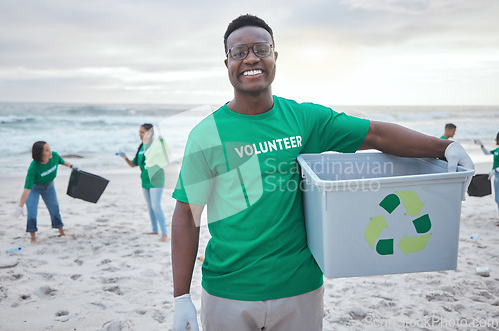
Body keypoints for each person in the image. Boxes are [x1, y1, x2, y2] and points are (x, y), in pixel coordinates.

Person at [171, 15, 474, 331]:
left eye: (261, 48)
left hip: (300, 286)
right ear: (227, 62)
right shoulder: (206, 134)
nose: (251, 58)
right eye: (239, 52)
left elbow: (377, 135)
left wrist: (444, 148)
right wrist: (181, 298)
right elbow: (185, 215)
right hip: (228, 292)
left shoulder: (303, 119)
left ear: (275, 56)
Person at [12, 141, 74, 244]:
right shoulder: (34, 167)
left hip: (49, 187)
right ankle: (33, 238)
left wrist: (72, 166)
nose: (50, 152)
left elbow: (62, 161)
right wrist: (20, 206)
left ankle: (61, 232)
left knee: (54, 208)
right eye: (46, 150)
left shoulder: (54, 156)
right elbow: (27, 189)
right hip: (34, 188)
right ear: (39, 153)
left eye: (49, 149)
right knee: (32, 212)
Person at [119, 123, 168, 242]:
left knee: (156, 206)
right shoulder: (141, 147)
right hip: (145, 180)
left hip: (156, 180)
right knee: (150, 206)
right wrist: (125, 157)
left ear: (149, 133)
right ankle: (155, 230)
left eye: (142, 132)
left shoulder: (156, 145)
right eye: (139, 132)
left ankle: (165, 234)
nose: (139, 135)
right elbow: (133, 164)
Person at [475, 132, 499, 214]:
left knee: (498, 199)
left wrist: (495, 170)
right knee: (497, 198)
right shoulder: (497, 150)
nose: (495, 139)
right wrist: (481, 145)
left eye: (497, 138)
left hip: (497, 174)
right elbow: (487, 153)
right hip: (496, 176)